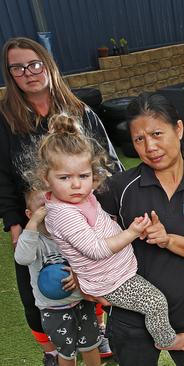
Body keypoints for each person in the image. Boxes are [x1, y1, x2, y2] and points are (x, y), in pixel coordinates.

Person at [24, 113, 184, 352]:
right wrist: (132, 232)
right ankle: (165, 340)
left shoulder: (77, 197)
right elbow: (97, 249)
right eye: (65, 177)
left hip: (114, 269)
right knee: (155, 302)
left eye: (83, 176)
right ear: (45, 178)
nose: (76, 185)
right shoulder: (64, 214)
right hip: (110, 280)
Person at [0, 37, 121, 365]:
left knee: (89, 279)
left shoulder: (80, 112)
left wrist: (108, 220)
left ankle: (96, 335)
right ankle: (53, 351)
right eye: (18, 68)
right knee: (36, 291)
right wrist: (16, 227)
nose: (28, 73)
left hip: (82, 221)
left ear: (47, 65)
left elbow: (108, 165)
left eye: (34, 64)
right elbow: (3, 179)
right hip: (36, 224)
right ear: (11, 75)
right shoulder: (6, 120)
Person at [98, 93, 184, 365]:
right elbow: (87, 239)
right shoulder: (119, 187)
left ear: (179, 129)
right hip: (129, 318)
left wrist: (167, 239)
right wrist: (85, 281)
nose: (150, 147)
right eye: (139, 139)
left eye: (157, 133)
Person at [14, 190, 102, 366]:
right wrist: (32, 224)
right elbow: (22, 258)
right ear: (30, 214)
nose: (50, 211)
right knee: (66, 352)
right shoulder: (33, 240)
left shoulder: (70, 233)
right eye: (43, 208)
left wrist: (77, 274)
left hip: (81, 301)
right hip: (53, 309)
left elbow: (91, 256)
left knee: (90, 345)